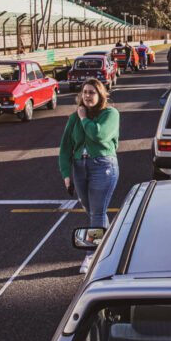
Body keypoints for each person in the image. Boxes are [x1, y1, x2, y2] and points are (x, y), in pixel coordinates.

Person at [59, 79, 120, 229]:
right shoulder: (74, 118)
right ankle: (110, 240)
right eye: (85, 92)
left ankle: (94, 251)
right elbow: (65, 147)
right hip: (80, 167)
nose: (87, 95)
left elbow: (98, 135)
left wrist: (84, 119)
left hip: (103, 166)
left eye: (92, 92)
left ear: (100, 95)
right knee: (91, 211)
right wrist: (66, 175)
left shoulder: (110, 114)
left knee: (97, 213)